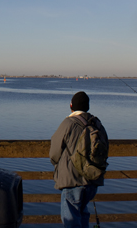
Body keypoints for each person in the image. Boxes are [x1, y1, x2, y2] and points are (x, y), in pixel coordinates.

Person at [49, 91, 109, 228]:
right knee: (83, 214)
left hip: (72, 181)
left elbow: (54, 152)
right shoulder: (97, 124)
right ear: (87, 107)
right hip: (92, 180)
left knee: (71, 219)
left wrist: (57, 165)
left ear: (71, 106)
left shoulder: (68, 123)